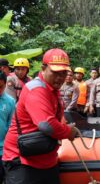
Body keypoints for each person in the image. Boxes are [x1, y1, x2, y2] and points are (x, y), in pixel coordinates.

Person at [2, 48, 78, 184]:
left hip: (45, 158)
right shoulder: (36, 89)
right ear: (43, 68)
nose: (60, 77)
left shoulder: (53, 90)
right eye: (55, 72)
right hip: (23, 159)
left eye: (63, 72)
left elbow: (55, 117)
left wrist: (64, 125)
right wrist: (68, 132)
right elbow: (46, 125)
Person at [0, 71, 15, 183]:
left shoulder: (10, 102)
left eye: (0, 87)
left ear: (5, 85)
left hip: (2, 150)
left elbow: (11, 126)